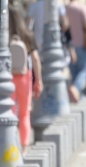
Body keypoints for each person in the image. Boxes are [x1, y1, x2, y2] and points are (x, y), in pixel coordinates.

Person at [9, 1, 43, 155]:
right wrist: (39, 80)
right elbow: (35, 59)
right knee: (24, 113)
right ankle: (23, 148)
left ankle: (9, 145)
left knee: (8, 112)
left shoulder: (4, 37)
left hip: (6, 78)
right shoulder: (27, 35)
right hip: (24, 76)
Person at [65, 0, 86, 102]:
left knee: (74, 71)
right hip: (81, 44)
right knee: (84, 69)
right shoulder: (81, 8)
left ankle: (77, 95)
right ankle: (75, 87)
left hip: (69, 46)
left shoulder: (65, 9)